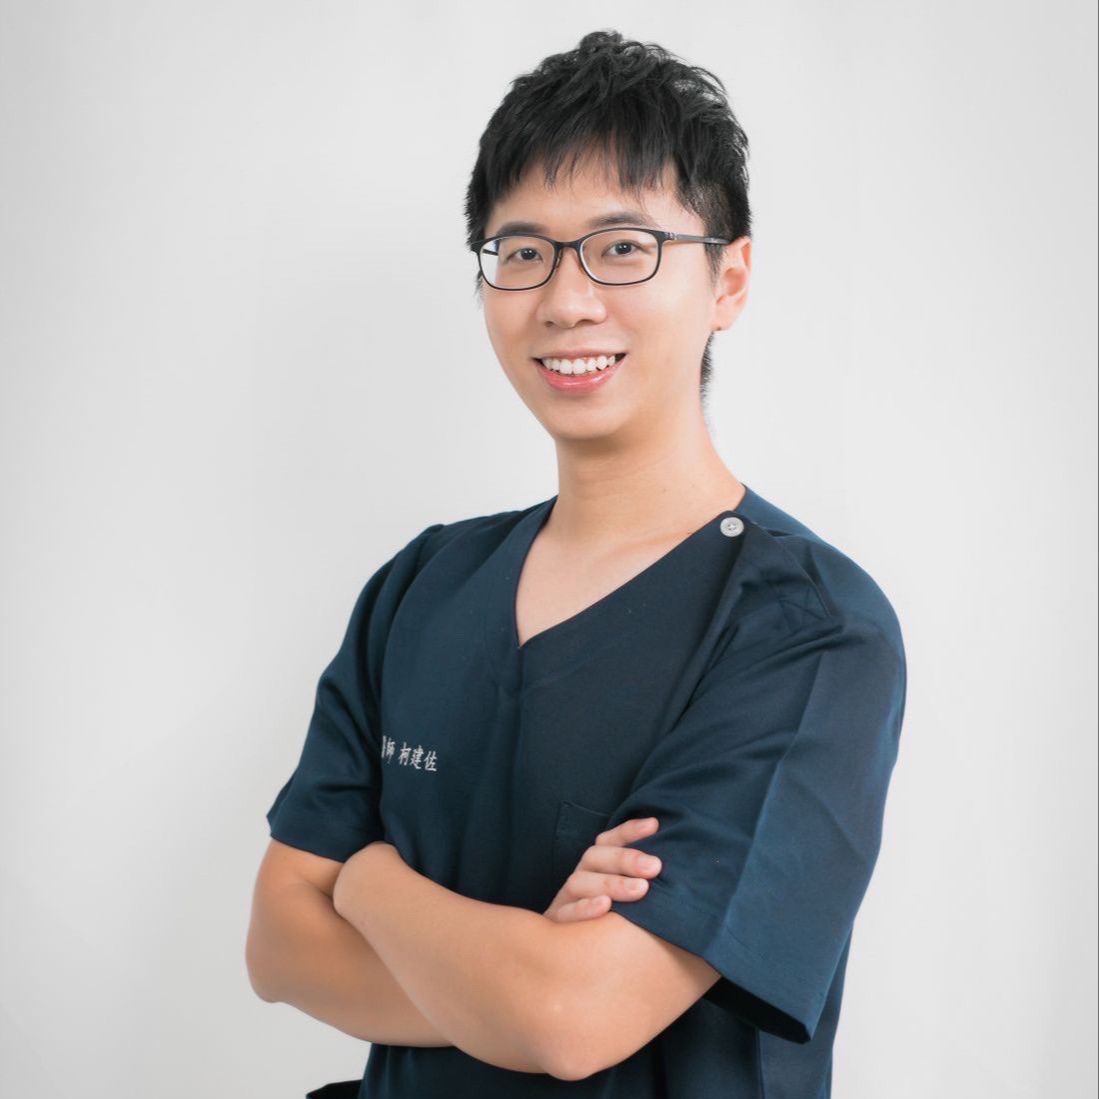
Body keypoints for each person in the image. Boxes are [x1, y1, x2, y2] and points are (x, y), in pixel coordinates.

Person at [246, 29, 907, 1099]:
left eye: (622, 247)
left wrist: (363, 876)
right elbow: (278, 946)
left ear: (728, 279)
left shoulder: (806, 625)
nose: (564, 300)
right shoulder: (422, 586)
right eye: (522, 252)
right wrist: (513, 975)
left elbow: (570, 1016)